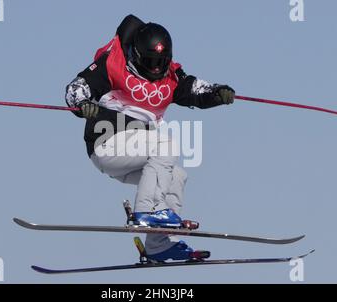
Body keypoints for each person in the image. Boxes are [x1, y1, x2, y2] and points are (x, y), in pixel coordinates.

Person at [65, 15, 235, 262]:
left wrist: (217, 93)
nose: (155, 68)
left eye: (161, 62)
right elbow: (76, 88)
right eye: (149, 61)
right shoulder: (114, 65)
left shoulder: (169, 78)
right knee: (167, 145)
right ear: (135, 54)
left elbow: (195, 89)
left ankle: (160, 244)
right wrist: (82, 104)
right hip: (107, 142)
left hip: (133, 154)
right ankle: (147, 210)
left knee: (177, 176)